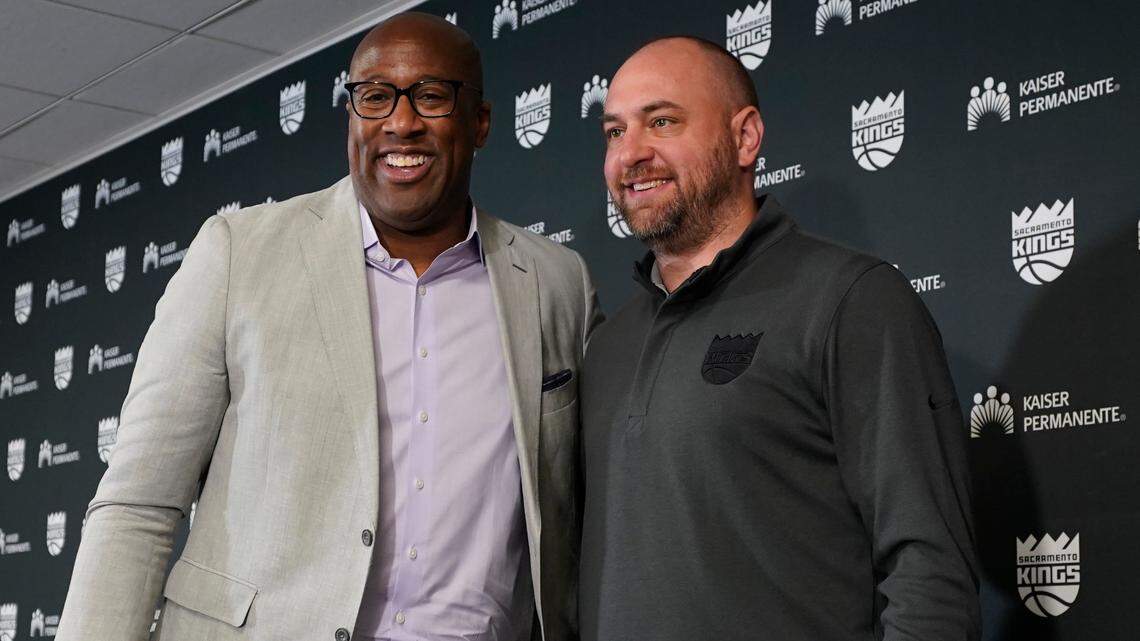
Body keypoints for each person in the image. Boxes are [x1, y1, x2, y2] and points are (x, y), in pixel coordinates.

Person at [57, 13, 600, 641]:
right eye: (374, 97)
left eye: (431, 96)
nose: (401, 122)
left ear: (479, 123)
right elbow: (138, 504)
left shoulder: (559, 285)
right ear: (352, 117)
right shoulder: (238, 253)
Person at [579, 36, 979, 641]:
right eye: (614, 132)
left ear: (745, 138)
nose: (631, 154)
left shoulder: (851, 299)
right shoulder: (607, 346)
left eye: (661, 121)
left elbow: (931, 572)